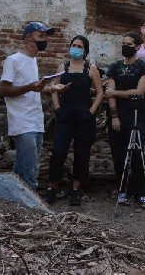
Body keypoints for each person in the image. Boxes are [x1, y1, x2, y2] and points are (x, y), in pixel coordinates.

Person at [44, 35, 105, 206]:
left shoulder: (90, 69)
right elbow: (54, 89)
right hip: (65, 116)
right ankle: (52, 187)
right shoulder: (63, 66)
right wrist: (57, 109)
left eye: (79, 46)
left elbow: (100, 92)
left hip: (84, 118)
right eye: (73, 45)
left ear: (85, 50)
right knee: (58, 152)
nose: (76, 48)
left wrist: (91, 112)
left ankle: (76, 189)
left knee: (82, 154)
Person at [0, 21, 55, 190]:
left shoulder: (33, 60)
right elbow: (3, 90)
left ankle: (16, 201)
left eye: (46, 36)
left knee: (26, 166)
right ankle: (32, 206)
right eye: (41, 36)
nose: (44, 40)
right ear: (28, 38)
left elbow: (33, 89)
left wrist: (52, 88)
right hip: (22, 122)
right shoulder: (13, 60)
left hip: (36, 120)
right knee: (29, 169)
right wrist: (30, 87)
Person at [106, 31, 145, 208]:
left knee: (136, 154)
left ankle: (141, 193)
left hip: (136, 115)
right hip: (117, 116)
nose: (125, 46)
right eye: (123, 43)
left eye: (129, 44)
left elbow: (139, 92)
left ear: (138, 46)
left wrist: (116, 93)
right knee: (119, 154)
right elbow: (109, 94)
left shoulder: (144, 67)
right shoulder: (114, 67)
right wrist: (114, 116)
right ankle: (123, 190)